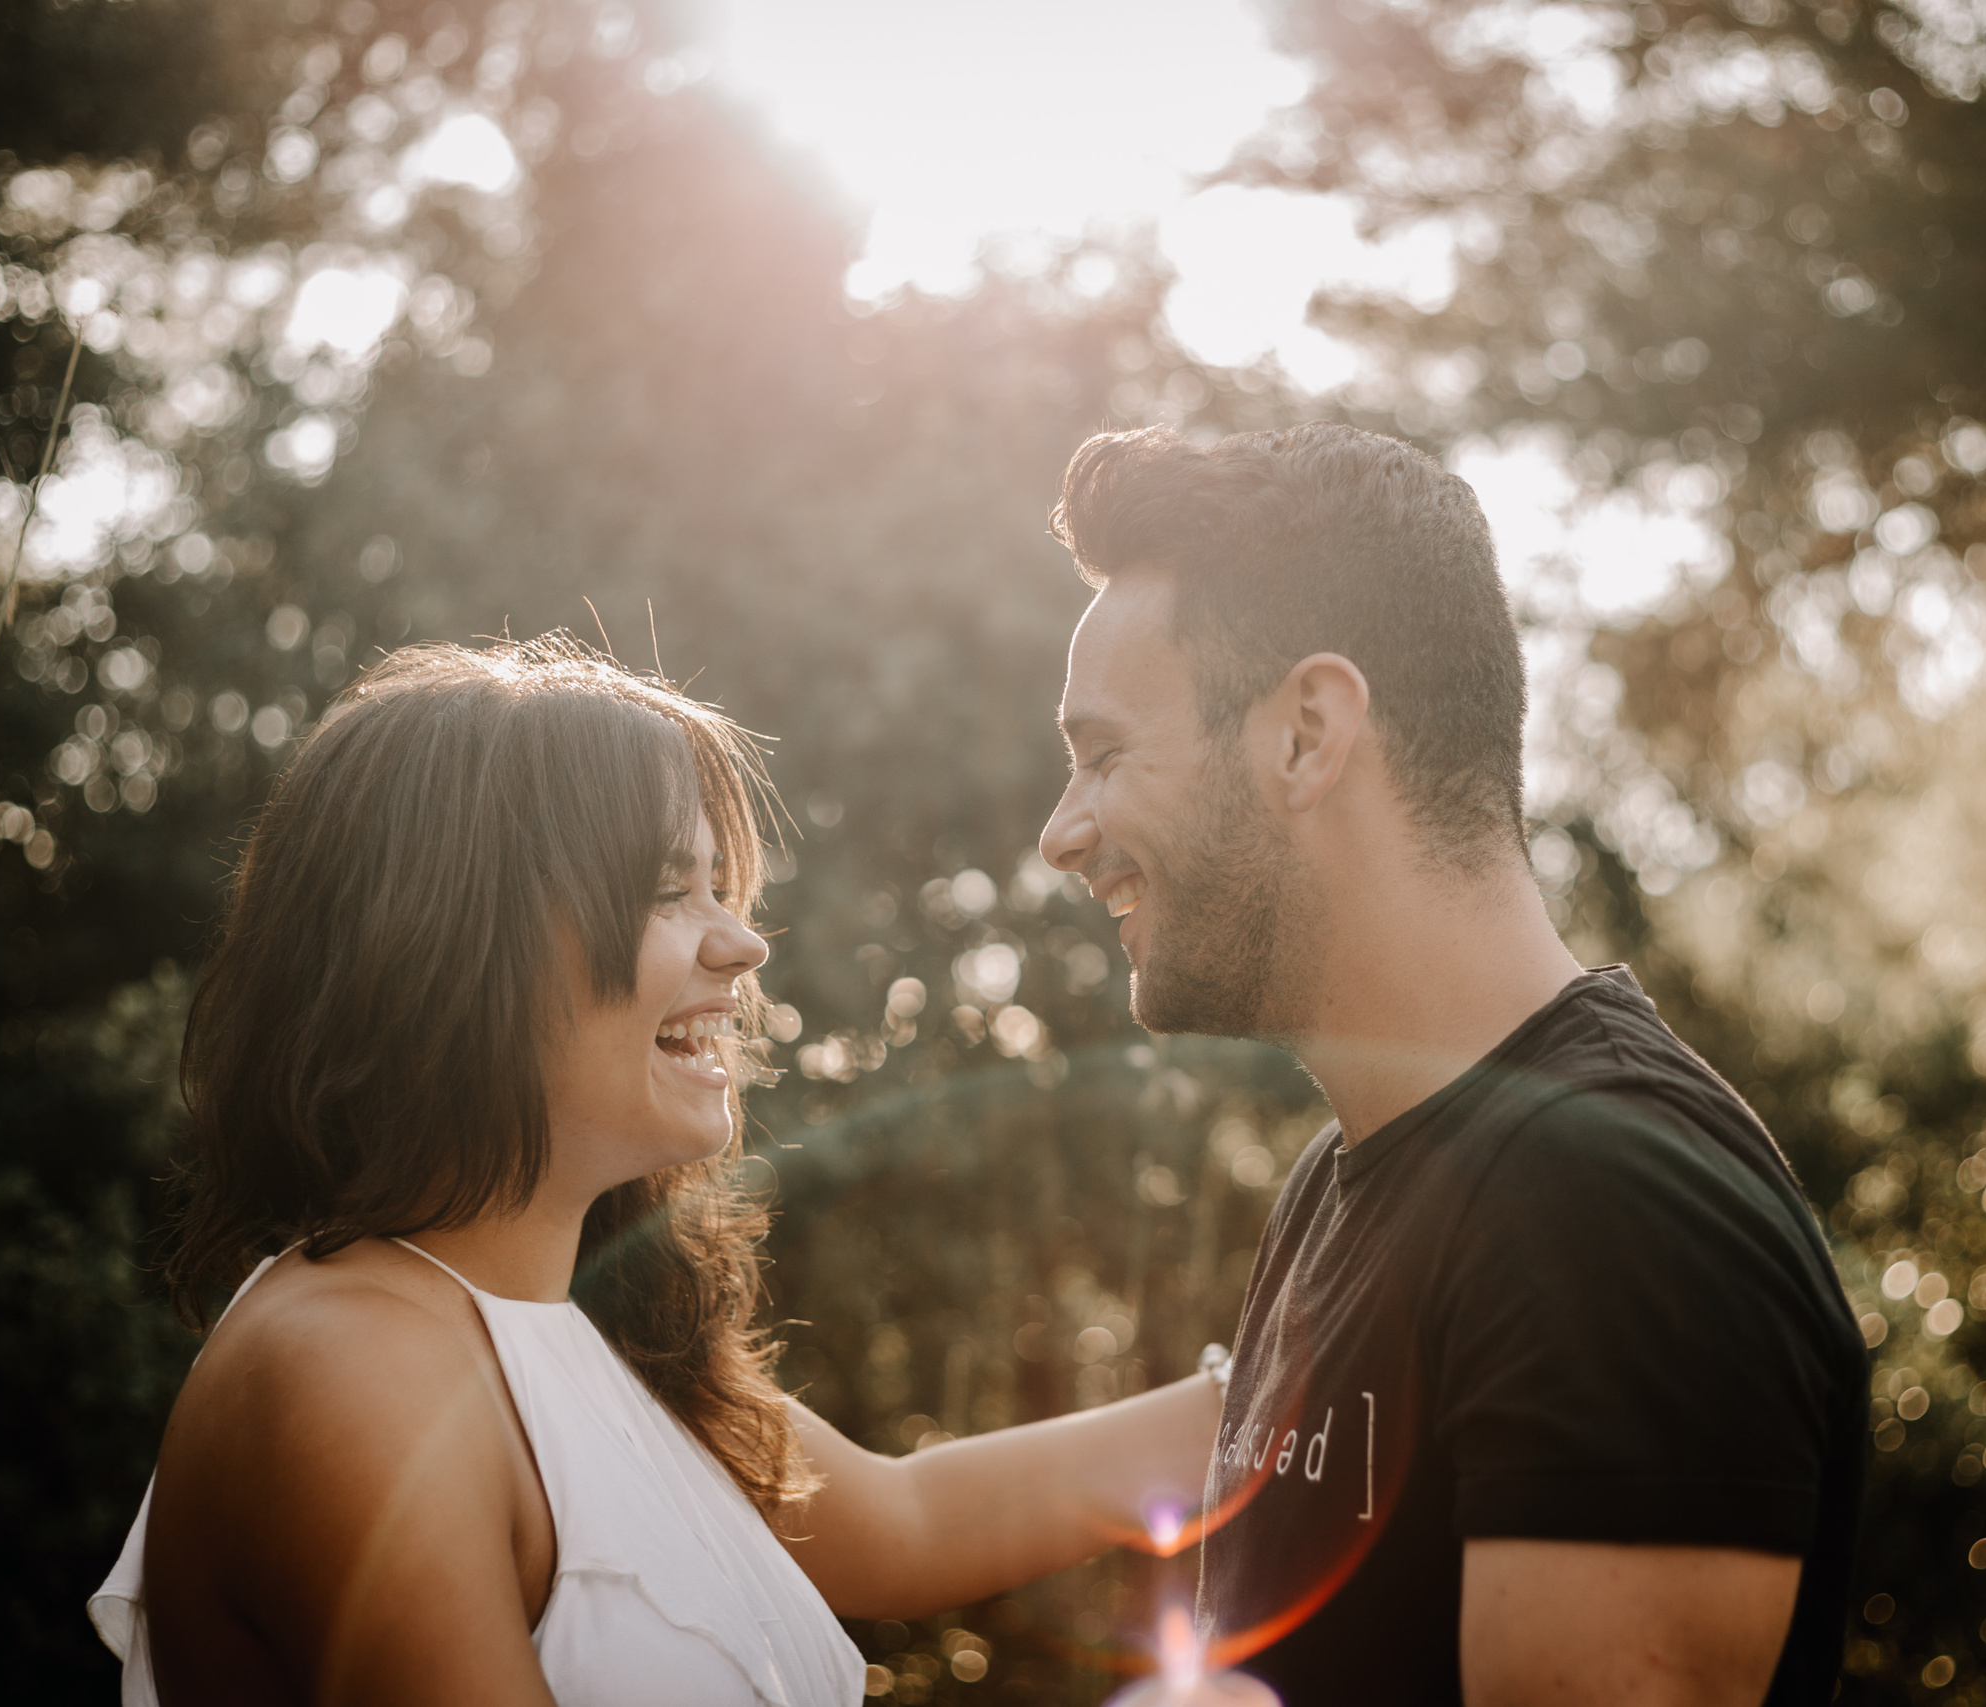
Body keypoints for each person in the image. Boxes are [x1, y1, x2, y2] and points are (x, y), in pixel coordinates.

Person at [91, 636, 1219, 1707]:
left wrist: (1279, 1382)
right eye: (668, 892)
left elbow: (907, 1522)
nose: (743, 943)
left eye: (722, 888)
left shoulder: (585, 1334)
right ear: (452, 942)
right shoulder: (347, 1365)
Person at [1037, 423, 1869, 1707]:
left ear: (1306, 734)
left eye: (1103, 757)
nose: (1061, 833)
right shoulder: (1348, 1180)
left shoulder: (1609, 1208)